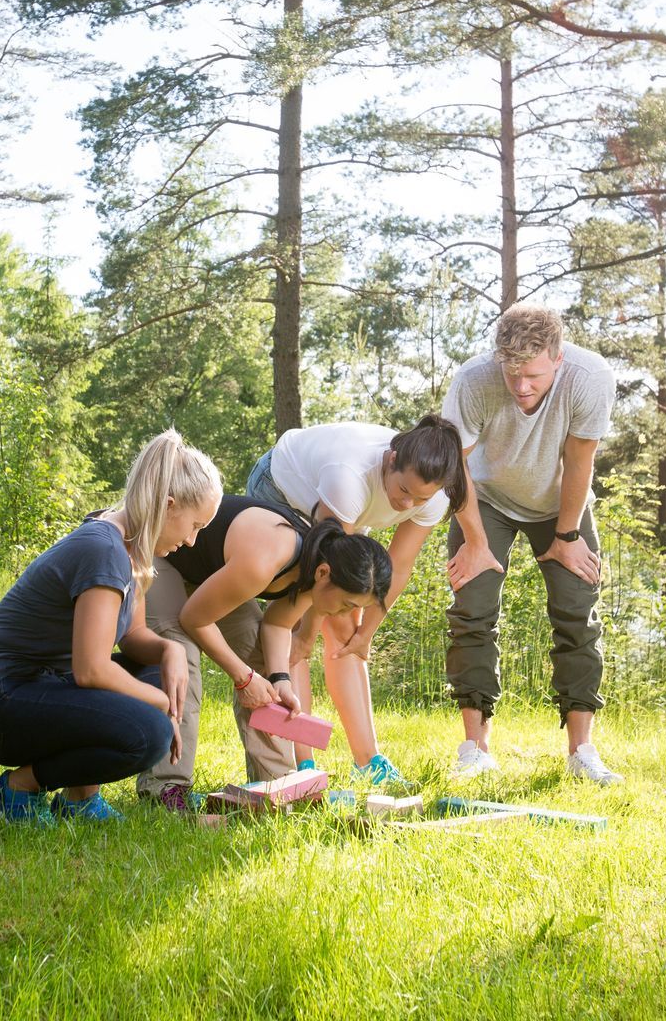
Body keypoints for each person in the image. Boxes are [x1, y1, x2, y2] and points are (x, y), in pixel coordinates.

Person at [0, 430, 222, 824]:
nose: (191, 541)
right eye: (195, 526)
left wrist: (171, 650)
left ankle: (79, 799)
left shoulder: (131, 551)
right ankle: (17, 790)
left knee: (154, 674)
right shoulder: (105, 549)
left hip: (38, 687)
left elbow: (131, 638)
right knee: (150, 733)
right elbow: (91, 670)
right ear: (169, 506)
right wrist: (164, 705)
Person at [441, 303, 624, 785]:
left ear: (558, 358)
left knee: (576, 612)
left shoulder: (590, 377)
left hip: (560, 501)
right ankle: (475, 749)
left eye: (535, 375)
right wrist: (476, 542)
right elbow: (453, 465)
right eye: (512, 373)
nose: (522, 387)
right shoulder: (473, 379)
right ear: (498, 358)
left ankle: (582, 751)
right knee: (472, 611)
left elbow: (580, 458)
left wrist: (567, 536)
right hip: (487, 501)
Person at [244, 416, 466, 785]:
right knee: (296, 623)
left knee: (348, 626)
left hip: (344, 516)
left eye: (420, 498)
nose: (408, 503)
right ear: (391, 459)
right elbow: (324, 567)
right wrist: (305, 634)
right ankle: (304, 764)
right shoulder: (348, 474)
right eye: (404, 490)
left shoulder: (433, 495)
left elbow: (399, 564)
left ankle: (369, 761)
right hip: (282, 488)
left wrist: (368, 633)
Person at [137, 495, 394, 811]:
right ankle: (166, 788)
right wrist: (244, 679)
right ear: (325, 573)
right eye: (347, 604)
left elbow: (276, 625)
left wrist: (280, 678)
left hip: (209, 574)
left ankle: (277, 786)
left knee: (259, 660)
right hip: (159, 555)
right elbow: (194, 619)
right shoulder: (268, 557)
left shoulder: (314, 569)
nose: (343, 614)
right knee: (181, 655)